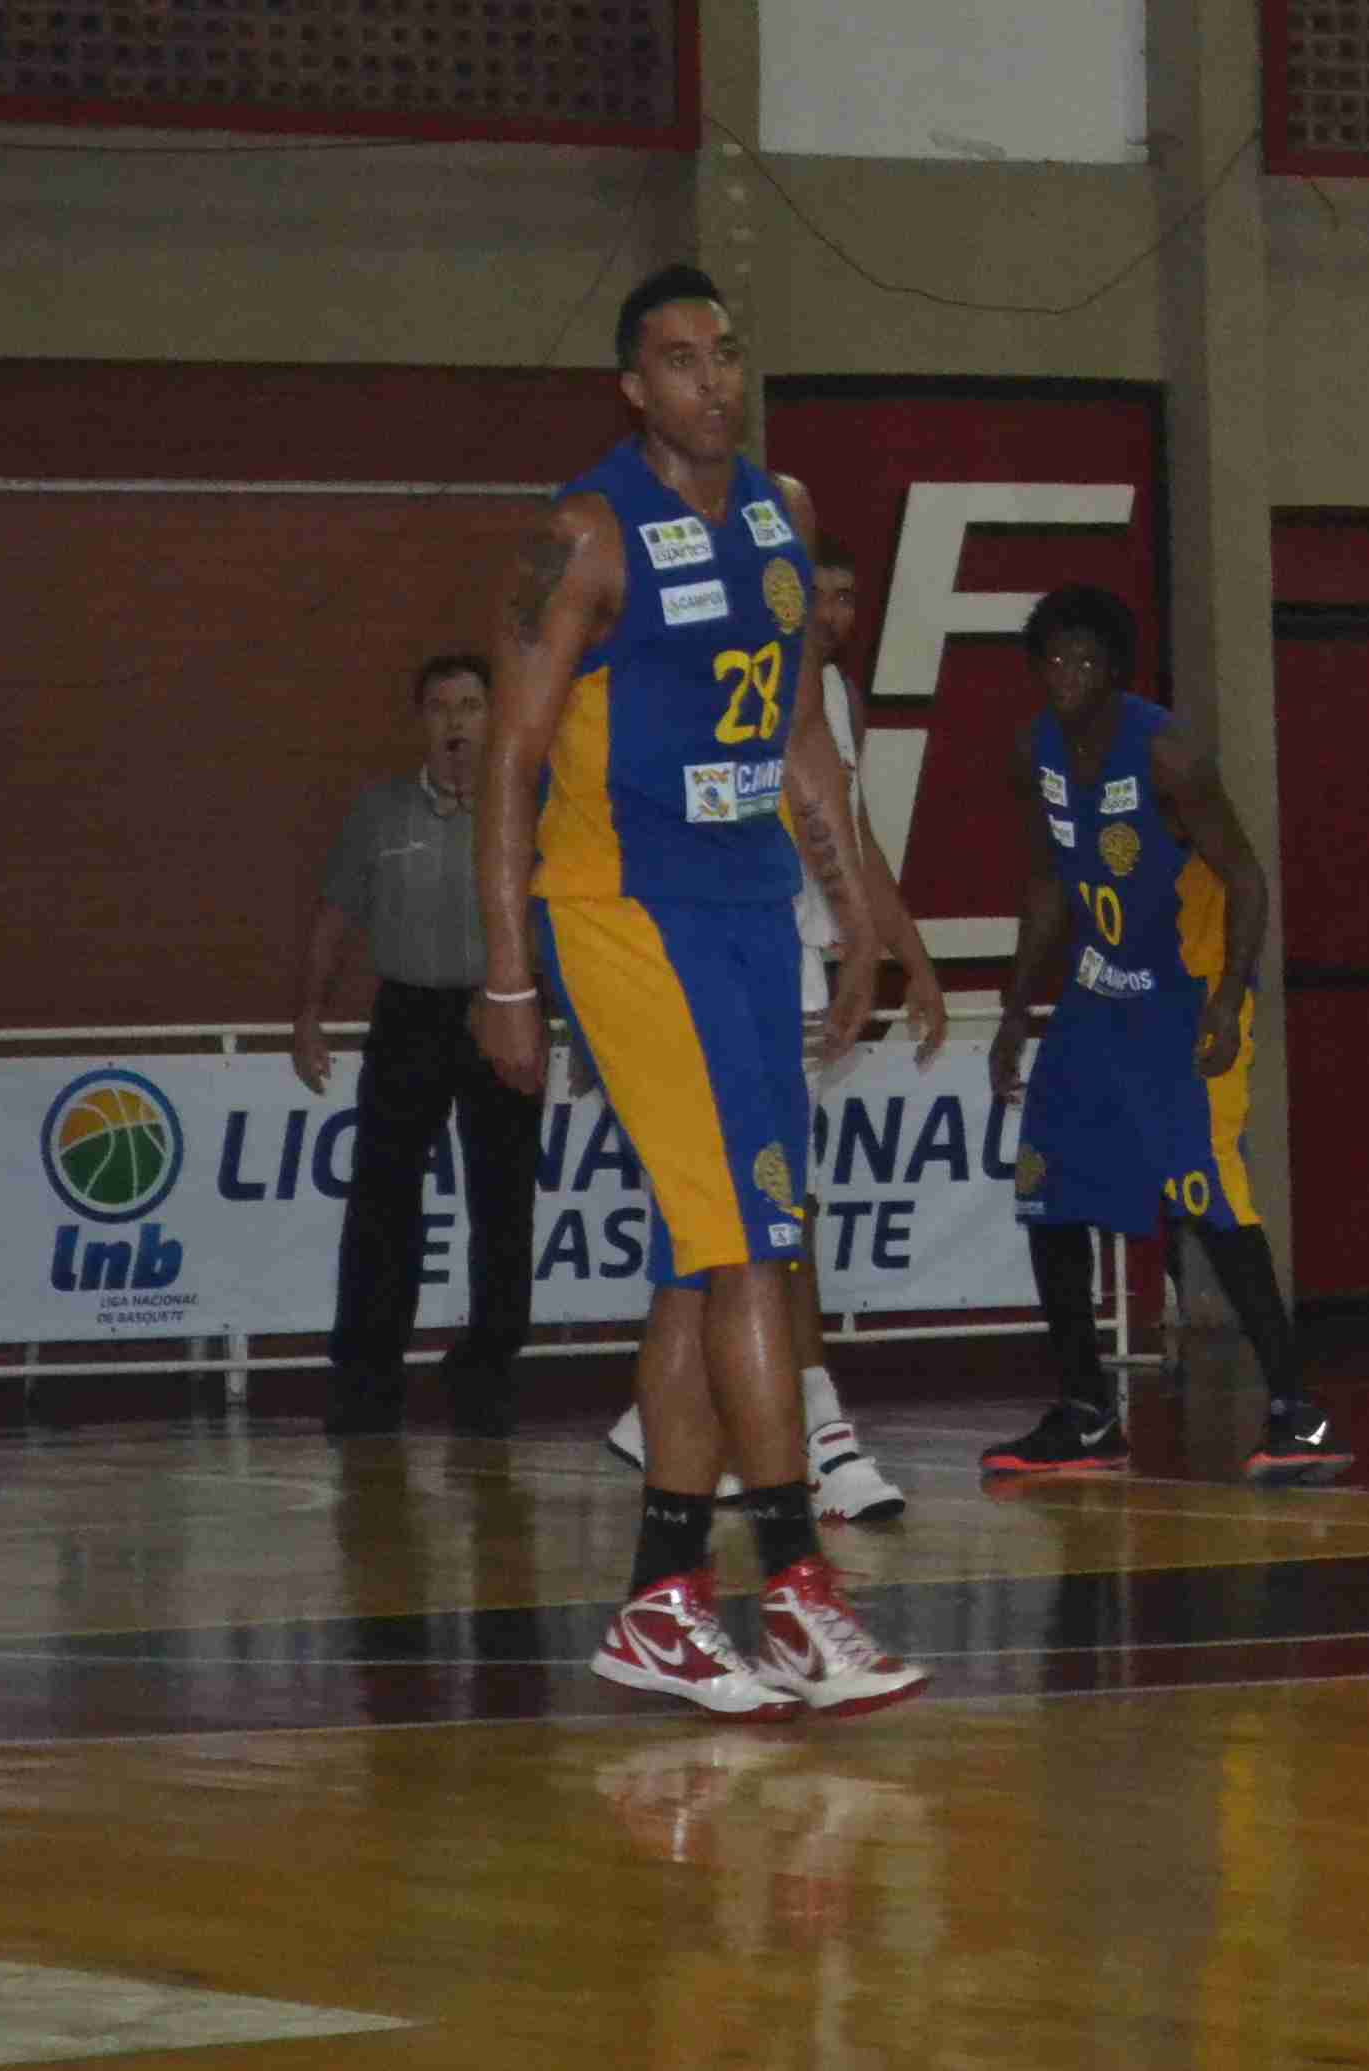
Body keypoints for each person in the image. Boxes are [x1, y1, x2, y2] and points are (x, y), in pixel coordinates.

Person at [473, 262, 926, 1720]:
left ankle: (663, 1601)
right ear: (632, 385)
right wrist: (505, 975)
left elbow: (799, 734)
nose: (711, 380)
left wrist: (854, 917)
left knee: (701, 1249)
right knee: (749, 1245)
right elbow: (511, 762)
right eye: (678, 359)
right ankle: (793, 1586)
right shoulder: (588, 529)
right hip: (621, 915)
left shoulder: (783, 516)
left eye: (726, 351)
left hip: (744, 912)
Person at [978, 585, 1348, 1486]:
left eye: (1086, 662)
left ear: (1113, 674)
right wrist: (1017, 1011)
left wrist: (1228, 1000)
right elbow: (1046, 886)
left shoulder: (1168, 754)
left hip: (1187, 995)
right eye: (1054, 660)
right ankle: (1085, 1411)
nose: (1068, 676)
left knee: (1206, 1187)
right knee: (1045, 1182)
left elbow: (1249, 877)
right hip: (1101, 991)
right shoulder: (1035, 750)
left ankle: (1300, 1410)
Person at [601, 543, 940, 1523]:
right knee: (767, 1211)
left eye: (843, 593)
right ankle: (813, 1424)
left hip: (790, 962)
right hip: (715, 958)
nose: (831, 610)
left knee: (765, 1210)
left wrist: (897, 949)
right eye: (816, 591)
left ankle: (694, 1407)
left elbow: (850, 824)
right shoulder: (698, 673)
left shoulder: (825, 693)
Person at [294, 653, 539, 1437]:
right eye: (441, 707)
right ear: (421, 720)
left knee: (503, 1200)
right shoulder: (380, 811)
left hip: (501, 1010)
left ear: (494, 717)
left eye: (471, 705)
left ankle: (488, 1366)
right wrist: (308, 1013)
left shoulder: (529, 808)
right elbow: (335, 918)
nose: (457, 722)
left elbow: (570, 921)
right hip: (406, 1015)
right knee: (382, 1197)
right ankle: (367, 1374)